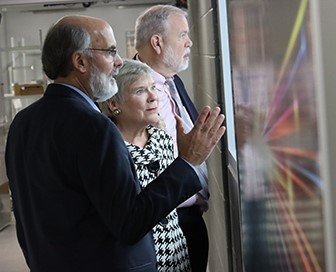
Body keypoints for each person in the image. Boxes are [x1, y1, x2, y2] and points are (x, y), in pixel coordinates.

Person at [5, 15, 225, 272]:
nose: (119, 62)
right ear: (80, 61)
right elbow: (130, 222)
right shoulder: (94, 127)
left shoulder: (23, 122)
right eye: (110, 52)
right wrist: (188, 161)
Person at [134, 5, 209, 271]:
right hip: (162, 225)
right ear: (157, 42)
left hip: (190, 217)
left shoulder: (173, 82)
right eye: (183, 35)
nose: (189, 42)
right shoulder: (129, 93)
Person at [99, 59, 191, 271]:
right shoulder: (109, 151)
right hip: (138, 261)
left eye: (153, 88)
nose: (153, 97)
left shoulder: (163, 138)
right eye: (140, 91)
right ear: (114, 104)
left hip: (176, 256)